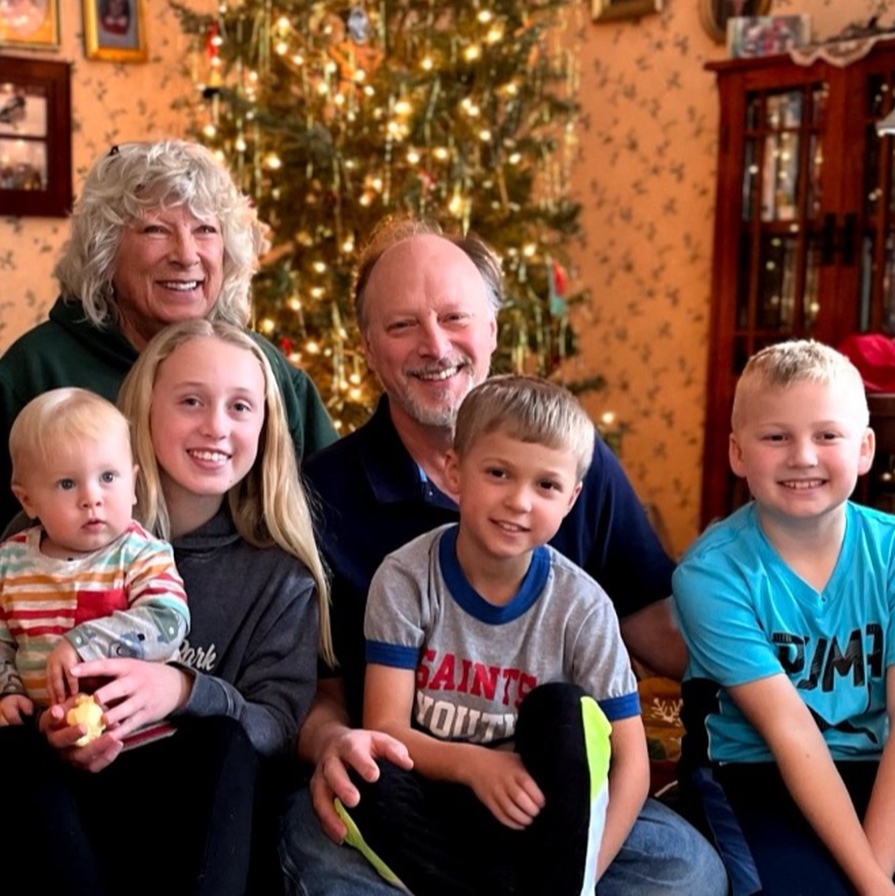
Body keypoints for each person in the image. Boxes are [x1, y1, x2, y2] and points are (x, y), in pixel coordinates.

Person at [281, 216, 727, 896]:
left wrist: (770, 660)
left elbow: (652, 622)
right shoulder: (322, 495)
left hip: (550, 796)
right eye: (402, 325)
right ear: (367, 347)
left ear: (492, 329)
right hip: (413, 787)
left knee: (686, 870)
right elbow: (317, 692)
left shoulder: (574, 465)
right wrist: (333, 744)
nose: (435, 346)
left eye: (455, 317)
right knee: (315, 847)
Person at [0, 319, 331, 895]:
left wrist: (182, 691)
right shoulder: (43, 535)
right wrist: (42, 720)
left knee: (225, 743)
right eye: (191, 401)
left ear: (265, 427)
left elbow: (277, 730)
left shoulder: (279, 577)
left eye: (240, 407)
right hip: (58, 809)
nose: (216, 426)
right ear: (144, 411)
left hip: (182, 815)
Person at [0, 139, 336, 622]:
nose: (186, 255)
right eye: (156, 229)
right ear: (105, 250)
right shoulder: (33, 373)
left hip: (244, 645)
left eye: (205, 229)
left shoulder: (262, 369)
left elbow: (330, 525)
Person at [341, 375, 649, 895]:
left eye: (546, 486)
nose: (519, 501)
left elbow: (633, 763)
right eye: (499, 473)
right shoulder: (406, 578)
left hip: (539, 815)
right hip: (438, 799)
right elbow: (386, 728)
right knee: (365, 777)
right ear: (455, 471)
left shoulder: (583, 606)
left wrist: (584, 875)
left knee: (561, 708)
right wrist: (474, 766)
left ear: (572, 498)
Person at [674, 340, 895, 896]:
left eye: (828, 435)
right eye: (776, 437)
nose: (803, 457)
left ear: (865, 448)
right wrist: (872, 884)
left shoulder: (890, 553)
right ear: (737, 452)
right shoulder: (711, 574)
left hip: (879, 768)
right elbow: (789, 730)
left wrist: (876, 874)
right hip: (753, 771)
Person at [0, 387, 188, 725]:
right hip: (43, 728)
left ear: (133, 485)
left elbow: (168, 622)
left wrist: (82, 644)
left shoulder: (143, 555)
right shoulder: (2, 569)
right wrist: (6, 691)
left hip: (139, 728)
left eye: (108, 477)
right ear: (28, 501)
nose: (91, 498)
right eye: (67, 484)